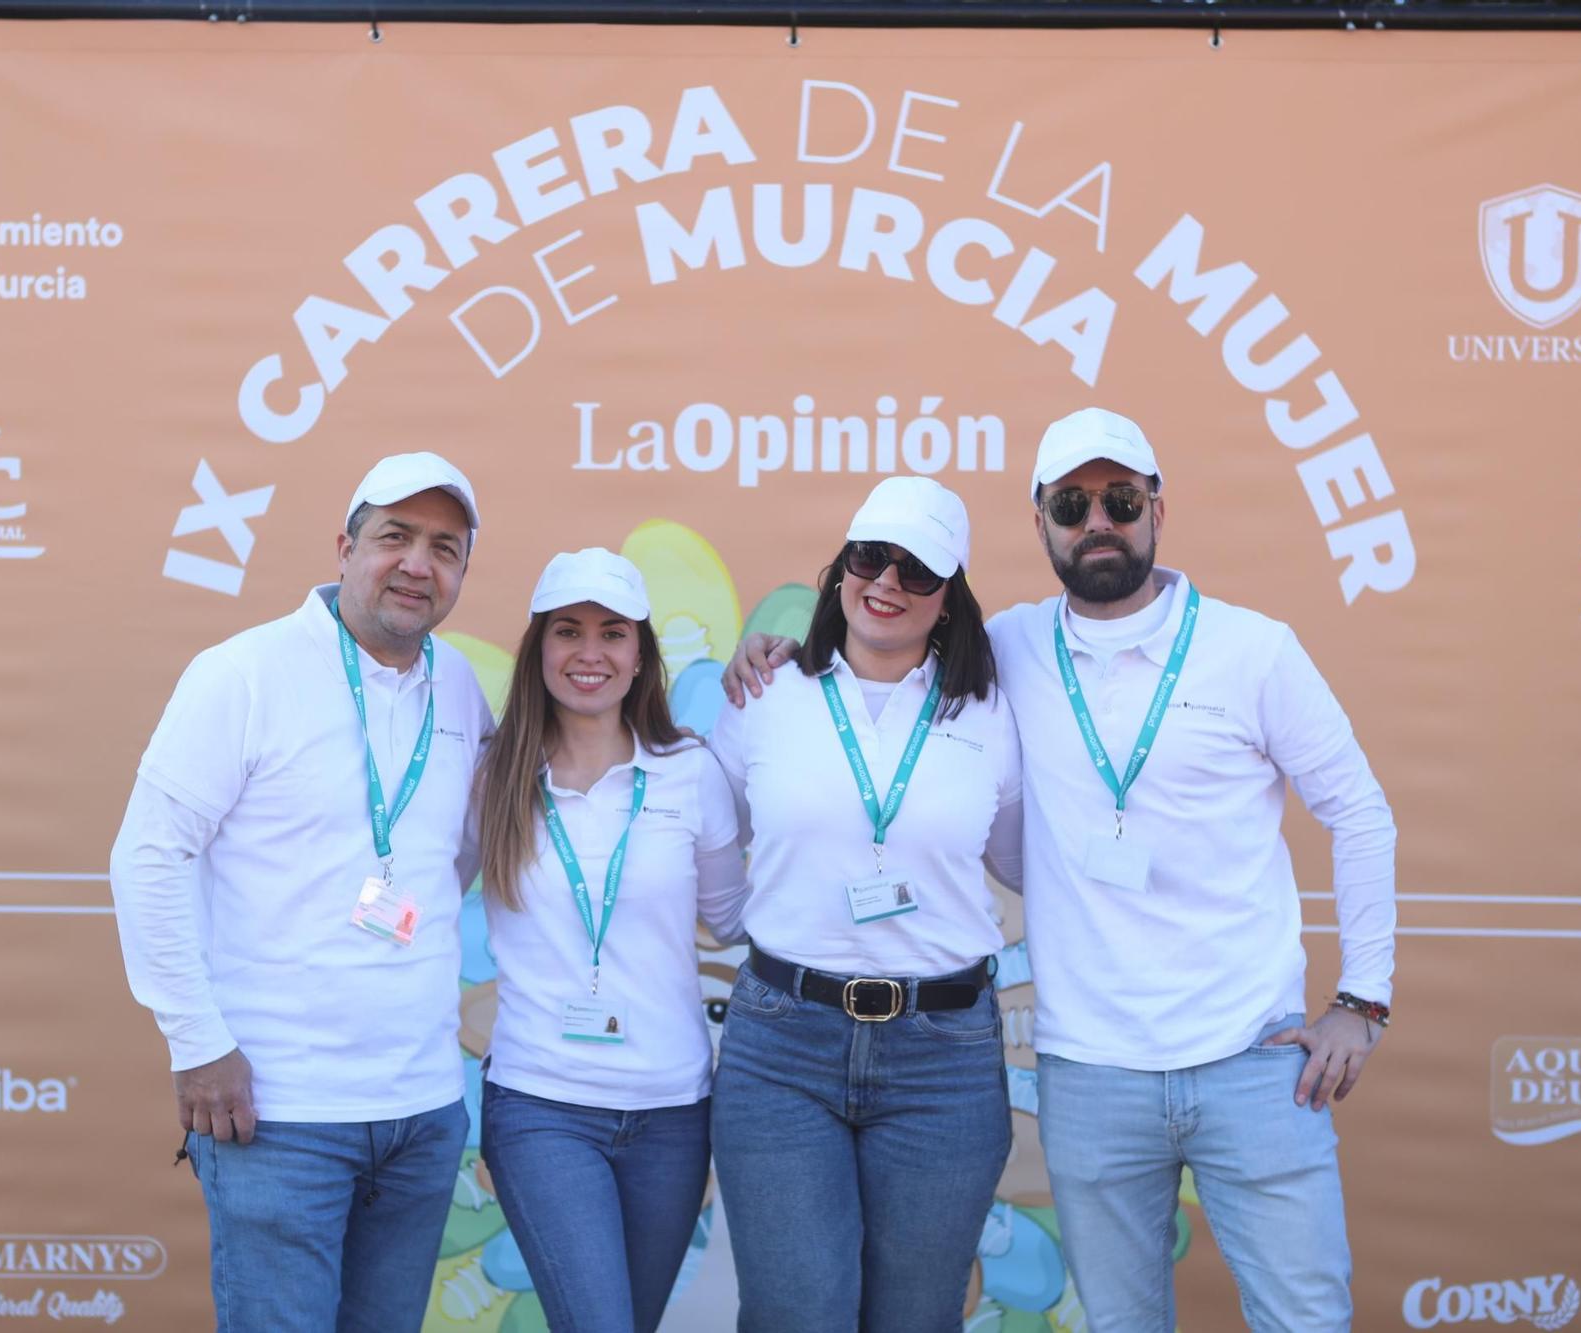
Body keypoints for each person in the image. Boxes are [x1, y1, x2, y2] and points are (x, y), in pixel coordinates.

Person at [726, 408, 1398, 1333]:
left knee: (1307, 1318)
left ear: (1158, 506)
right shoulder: (1007, 653)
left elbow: (1360, 810)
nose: (1098, 522)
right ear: (1040, 517)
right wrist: (767, 654)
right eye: (1072, 503)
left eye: (1119, 499)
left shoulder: (1254, 650)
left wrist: (1363, 999)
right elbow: (882, 666)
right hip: (1090, 1068)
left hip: (1253, 1056)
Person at [108, 452, 492, 1333]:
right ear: (345, 548)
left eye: (444, 548)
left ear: (462, 573)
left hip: (422, 1112)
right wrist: (197, 1039)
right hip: (278, 1114)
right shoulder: (244, 673)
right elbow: (147, 857)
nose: (417, 564)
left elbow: (451, 862)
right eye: (395, 537)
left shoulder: (461, 687)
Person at [706, 476, 1023, 1333]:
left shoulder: (995, 713)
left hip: (943, 1055)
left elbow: (1032, 862)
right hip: (783, 1043)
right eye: (867, 557)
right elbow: (697, 834)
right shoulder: (763, 695)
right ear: (838, 570)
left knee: (917, 1318)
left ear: (949, 597)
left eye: (917, 570)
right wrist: (748, 922)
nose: (886, 582)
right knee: (794, 1311)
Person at [474, 547, 747, 1333]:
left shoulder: (690, 772)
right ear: (540, 650)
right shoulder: (493, 777)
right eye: (568, 631)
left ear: (640, 656)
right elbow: (416, 883)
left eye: (612, 633)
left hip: (671, 1112)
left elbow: (732, 917)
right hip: (542, 1105)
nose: (589, 653)